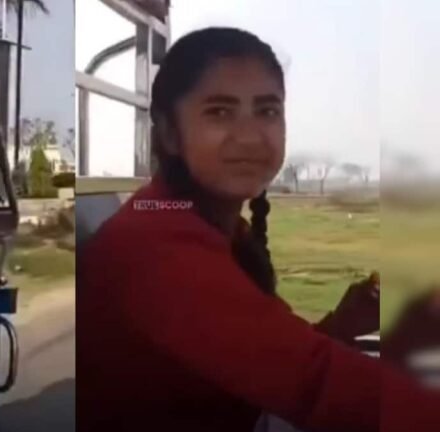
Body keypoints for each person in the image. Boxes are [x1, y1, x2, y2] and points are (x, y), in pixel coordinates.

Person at [77, 28, 440, 432]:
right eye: (219, 111)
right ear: (168, 132)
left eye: (267, 111)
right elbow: (317, 383)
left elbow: (267, 356)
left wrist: (344, 323)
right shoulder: (154, 247)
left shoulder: (201, 222)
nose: (250, 137)